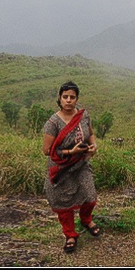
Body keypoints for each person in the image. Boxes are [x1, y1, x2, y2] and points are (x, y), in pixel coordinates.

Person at [41, 80, 101, 253]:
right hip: (61, 168)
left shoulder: (83, 115)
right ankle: (70, 234)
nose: (68, 100)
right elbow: (47, 150)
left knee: (90, 195)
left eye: (72, 97)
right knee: (63, 202)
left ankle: (86, 219)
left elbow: (90, 134)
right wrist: (71, 151)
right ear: (59, 99)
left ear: (77, 99)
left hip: (81, 164)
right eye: (65, 97)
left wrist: (94, 145)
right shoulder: (53, 122)